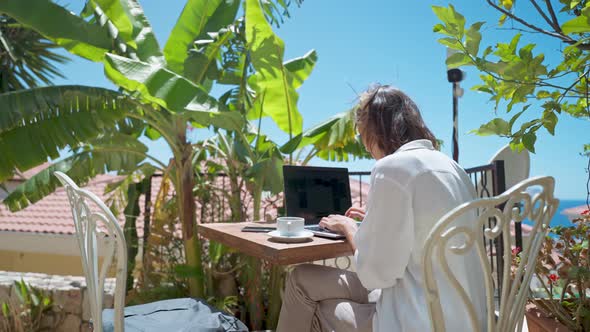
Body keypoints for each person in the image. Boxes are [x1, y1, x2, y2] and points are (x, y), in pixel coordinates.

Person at [276, 85, 485, 332]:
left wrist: (350, 228)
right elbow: (420, 227)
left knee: (318, 303)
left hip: (416, 320)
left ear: (377, 129)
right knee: (303, 278)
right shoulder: (452, 168)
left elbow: (375, 275)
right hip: (467, 318)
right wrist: (376, 219)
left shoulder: (392, 167)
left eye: (363, 133)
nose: (365, 146)